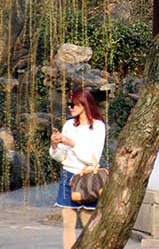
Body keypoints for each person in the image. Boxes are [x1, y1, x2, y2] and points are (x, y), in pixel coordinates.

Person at [49, 88, 107, 249]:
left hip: (88, 178)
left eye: (73, 104)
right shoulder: (69, 124)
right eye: (68, 104)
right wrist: (55, 145)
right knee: (68, 224)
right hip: (68, 175)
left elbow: (92, 157)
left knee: (89, 225)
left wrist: (72, 143)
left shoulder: (98, 126)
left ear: (84, 104)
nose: (70, 107)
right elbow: (61, 157)